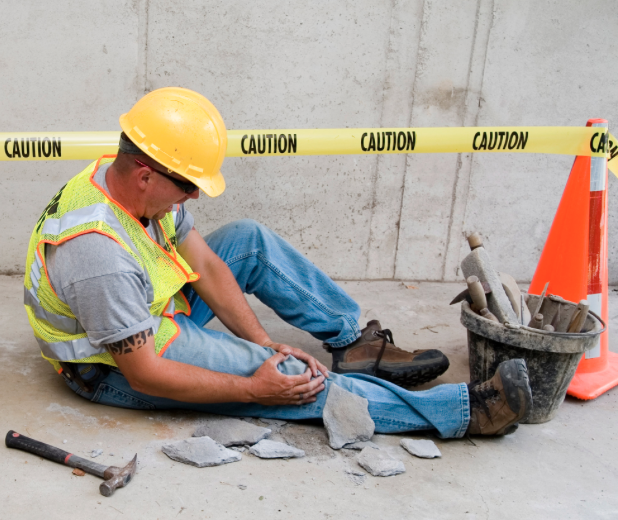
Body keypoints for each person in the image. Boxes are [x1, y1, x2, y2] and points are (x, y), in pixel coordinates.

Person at [23, 87, 532, 438]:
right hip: (115, 365)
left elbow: (210, 265)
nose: (195, 195)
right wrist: (253, 383)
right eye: (187, 184)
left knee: (247, 241)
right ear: (143, 173)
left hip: (145, 308)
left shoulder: (129, 185)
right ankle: (465, 414)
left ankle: (352, 342)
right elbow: (145, 374)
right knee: (287, 379)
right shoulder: (97, 255)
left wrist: (262, 340)